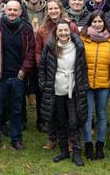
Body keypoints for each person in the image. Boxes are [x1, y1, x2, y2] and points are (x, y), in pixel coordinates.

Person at [0, 1, 36, 152]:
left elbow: (31, 51)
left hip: (18, 77)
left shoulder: (26, 29)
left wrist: (24, 70)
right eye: (9, 9)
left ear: (20, 12)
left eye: (15, 10)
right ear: (5, 10)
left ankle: (16, 139)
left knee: (17, 110)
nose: (12, 12)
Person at [38, 20, 89, 166]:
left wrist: (84, 85)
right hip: (56, 89)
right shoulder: (51, 47)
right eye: (60, 30)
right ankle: (64, 151)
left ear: (70, 31)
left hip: (73, 88)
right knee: (60, 121)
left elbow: (83, 67)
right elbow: (42, 66)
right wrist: (43, 83)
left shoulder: (77, 46)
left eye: (65, 30)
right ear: (56, 32)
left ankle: (77, 152)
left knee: (74, 121)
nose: (63, 33)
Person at [34, 0, 79, 149]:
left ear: (61, 9)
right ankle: (52, 138)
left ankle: (71, 140)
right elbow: (38, 51)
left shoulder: (70, 26)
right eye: (50, 9)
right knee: (52, 108)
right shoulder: (42, 30)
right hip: (50, 73)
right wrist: (44, 66)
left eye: (55, 8)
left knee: (69, 110)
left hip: (68, 71)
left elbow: (77, 46)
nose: (53, 11)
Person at [79, 11, 110, 160]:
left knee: (102, 115)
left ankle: (100, 145)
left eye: (100, 22)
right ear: (90, 23)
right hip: (86, 84)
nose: (97, 24)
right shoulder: (83, 39)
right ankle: (88, 145)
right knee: (87, 116)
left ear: (104, 23)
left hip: (103, 84)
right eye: (94, 22)